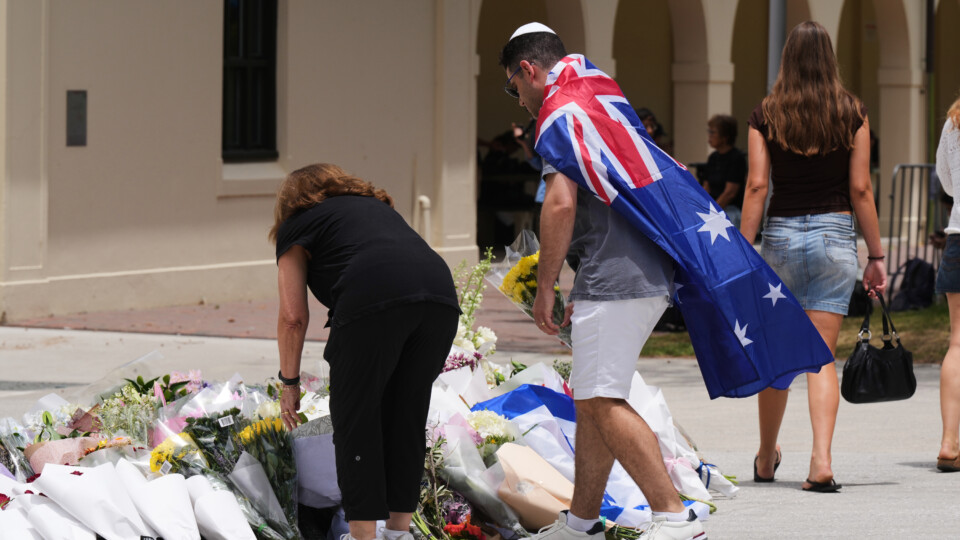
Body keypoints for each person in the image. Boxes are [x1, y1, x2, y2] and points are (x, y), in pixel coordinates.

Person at [500, 22, 705, 540]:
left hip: (617, 274)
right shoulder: (598, 95)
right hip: (638, 268)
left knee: (601, 402)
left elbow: (560, 205)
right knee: (593, 400)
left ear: (527, 69)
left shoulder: (558, 114)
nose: (517, 99)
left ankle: (673, 516)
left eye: (513, 86)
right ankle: (581, 523)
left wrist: (546, 287)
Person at [270, 163, 460, 540]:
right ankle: (399, 533)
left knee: (357, 421)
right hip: (440, 299)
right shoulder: (376, 208)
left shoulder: (297, 225)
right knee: (406, 416)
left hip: (372, 301)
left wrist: (288, 383)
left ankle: (362, 535)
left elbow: (292, 318)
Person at [740, 21, 887, 493]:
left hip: (781, 237)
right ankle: (821, 462)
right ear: (829, 58)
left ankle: (766, 457)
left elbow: (757, 186)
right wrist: (876, 254)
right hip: (834, 237)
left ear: (787, 59)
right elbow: (861, 189)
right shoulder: (852, 112)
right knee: (821, 357)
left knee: (777, 356)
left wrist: (742, 250)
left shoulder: (766, 113)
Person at [935, 94, 960, 472]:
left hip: (959, 236)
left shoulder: (954, 121)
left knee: (958, 343)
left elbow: (946, 181)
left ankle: (949, 442)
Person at [701, 115, 747, 229]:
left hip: (730, 209)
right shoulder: (713, 157)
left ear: (725, 137)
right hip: (714, 207)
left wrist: (713, 213)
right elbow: (706, 187)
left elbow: (729, 193)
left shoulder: (736, 158)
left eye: (713, 132)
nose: (709, 135)